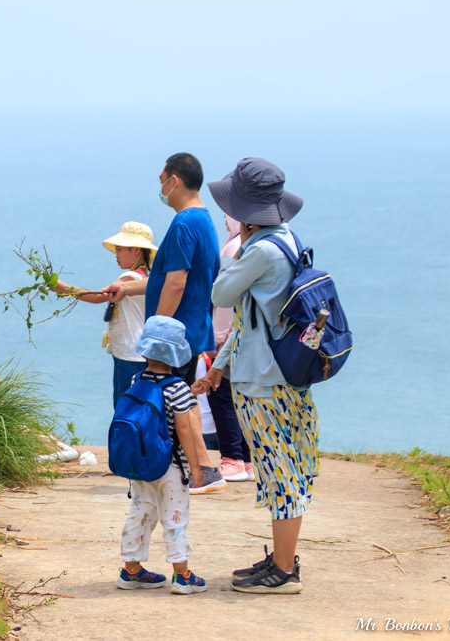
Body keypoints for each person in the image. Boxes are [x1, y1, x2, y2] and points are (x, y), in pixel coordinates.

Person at [192, 157, 316, 595]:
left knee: (279, 471)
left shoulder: (260, 249)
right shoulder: (286, 238)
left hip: (264, 382)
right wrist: (219, 368)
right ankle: (282, 560)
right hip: (283, 374)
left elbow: (221, 293)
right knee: (282, 467)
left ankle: (284, 571)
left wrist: (240, 244)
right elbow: (250, 318)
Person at [104, 153, 225, 494]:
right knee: (182, 401)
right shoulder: (204, 220)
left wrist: (157, 329)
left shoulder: (184, 224)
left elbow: (175, 283)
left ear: (174, 181)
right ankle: (202, 470)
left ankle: (170, 475)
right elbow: (164, 279)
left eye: (162, 180)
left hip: (174, 334)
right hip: (193, 326)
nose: (160, 187)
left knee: (164, 406)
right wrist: (127, 287)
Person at [116, 316, 208, 595]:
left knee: (141, 512)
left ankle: (131, 569)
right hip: (170, 466)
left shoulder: (137, 378)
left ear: (144, 351)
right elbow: (185, 430)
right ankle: (182, 575)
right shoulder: (178, 387)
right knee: (175, 516)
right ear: (177, 355)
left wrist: (189, 393)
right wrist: (196, 468)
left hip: (142, 464)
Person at [52, 221, 157, 408]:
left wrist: (62, 288)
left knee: (124, 408)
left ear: (136, 250)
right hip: (139, 352)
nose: (116, 255)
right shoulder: (146, 276)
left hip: (129, 354)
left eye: (119, 249)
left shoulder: (129, 278)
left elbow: (99, 297)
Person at [207, 214, 254, 482]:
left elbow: (225, 299)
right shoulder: (255, 245)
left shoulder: (231, 248)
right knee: (243, 397)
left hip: (229, 336)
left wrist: (217, 337)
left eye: (227, 216)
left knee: (221, 395)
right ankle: (247, 459)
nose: (225, 221)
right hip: (250, 335)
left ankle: (231, 458)